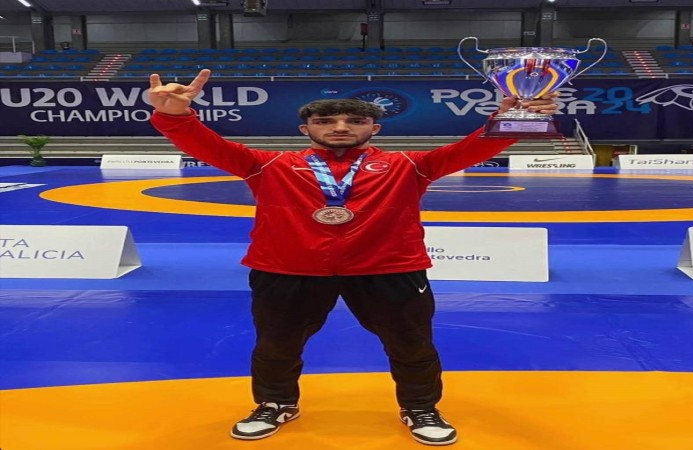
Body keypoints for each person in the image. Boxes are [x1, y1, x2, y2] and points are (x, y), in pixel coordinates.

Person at [148, 69, 558, 446]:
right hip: (287, 269)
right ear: (306, 129)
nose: (341, 127)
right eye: (326, 121)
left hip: (390, 269)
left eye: (355, 121)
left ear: (374, 128)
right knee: (276, 344)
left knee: (412, 345)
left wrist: (513, 116)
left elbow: (474, 147)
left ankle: (420, 407)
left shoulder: (410, 165)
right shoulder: (267, 164)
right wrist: (174, 114)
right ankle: (276, 403)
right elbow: (205, 144)